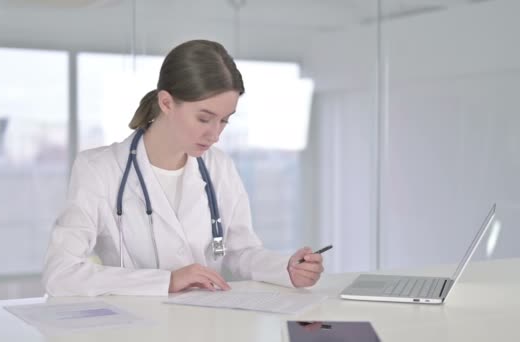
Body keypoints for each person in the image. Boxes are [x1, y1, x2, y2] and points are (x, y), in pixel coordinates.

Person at [42, 39, 324, 296]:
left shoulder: (218, 166)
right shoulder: (99, 169)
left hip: (204, 325)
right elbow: (61, 273)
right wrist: (166, 281)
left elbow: (240, 250)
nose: (215, 134)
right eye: (204, 118)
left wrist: (285, 269)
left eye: (225, 120)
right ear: (166, 102)